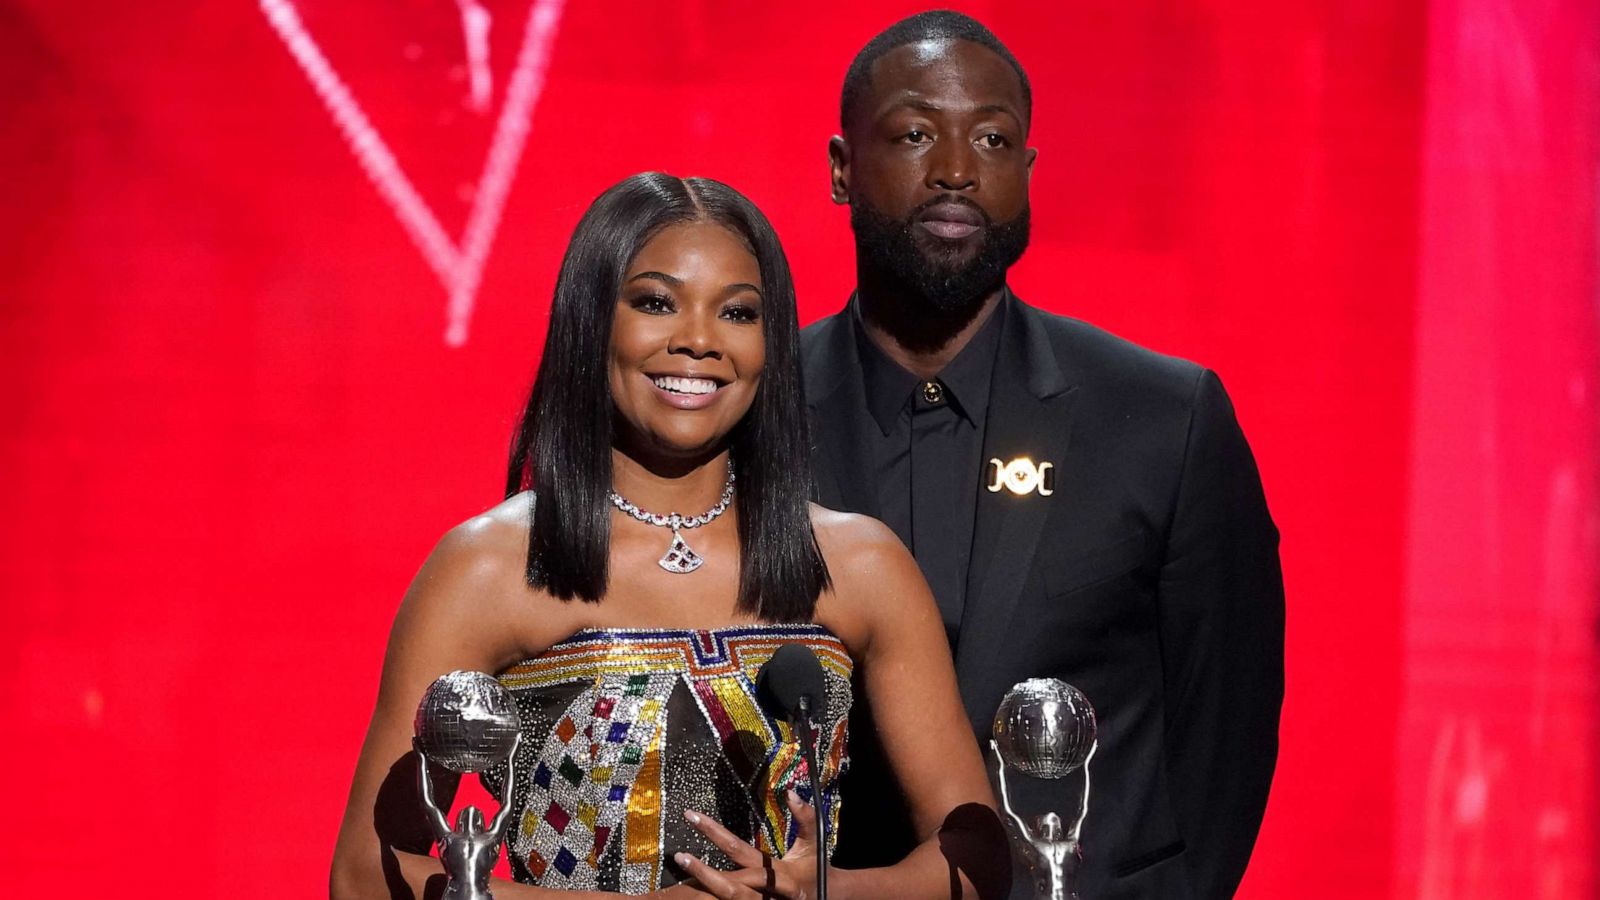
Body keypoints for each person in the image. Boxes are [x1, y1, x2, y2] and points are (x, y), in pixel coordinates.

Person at [330, 172, 1009, 900]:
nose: (698, 341)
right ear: (592, 323)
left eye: (738, 314)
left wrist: (834, 892)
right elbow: (367, 873)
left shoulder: (858, 564)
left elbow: (979, 850)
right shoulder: (489, 568)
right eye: (656, 303)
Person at [802, 12, 1285, 899]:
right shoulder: (758, 417)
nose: (956, 169)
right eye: (915, 134)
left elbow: (1227, 737)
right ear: (841, 169)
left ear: (1026, 173)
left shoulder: (1163, 420)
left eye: (992, 138)